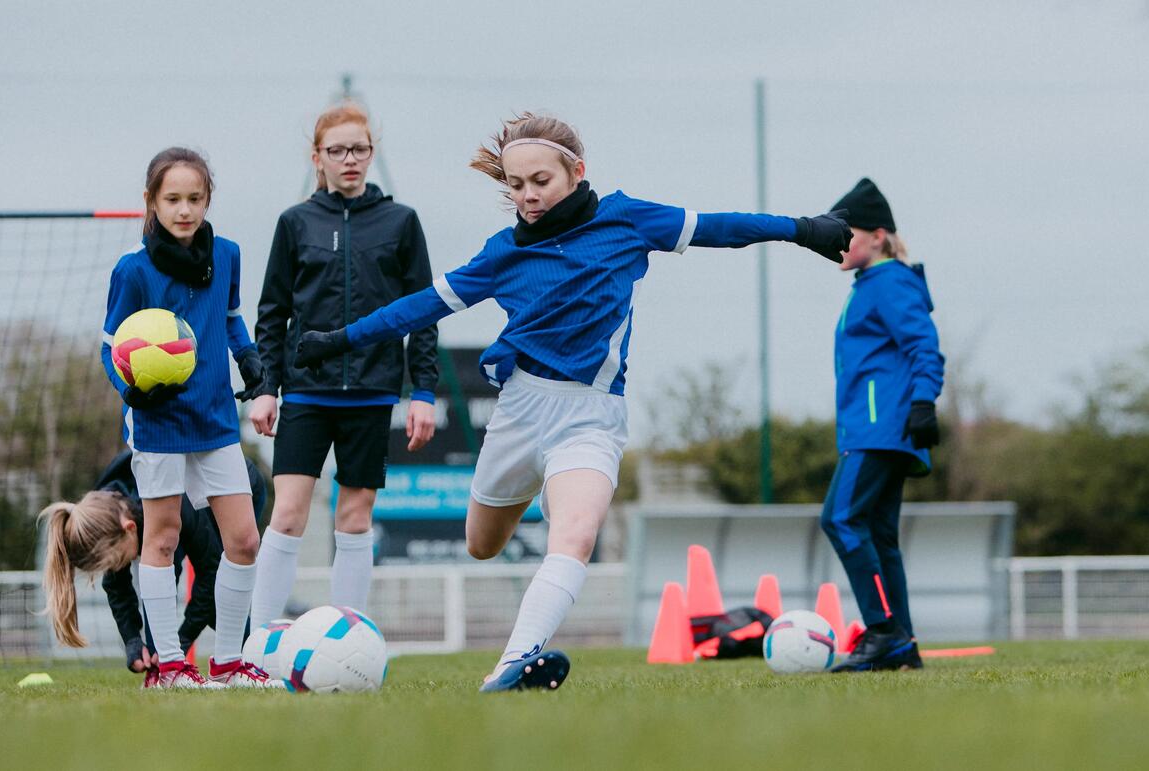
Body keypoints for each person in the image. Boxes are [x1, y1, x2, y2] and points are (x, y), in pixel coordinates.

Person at [294, 112, 853, 692]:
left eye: (541, 181)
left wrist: (800, 228)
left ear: (576, 171)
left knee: (575, 534)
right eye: (515, 185)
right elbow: (421, 307)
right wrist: (340, 339)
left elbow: (719, 226)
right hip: (519, 411)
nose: (528, 196)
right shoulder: (502, 252)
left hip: (589, 415)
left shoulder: (624, 219)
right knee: (481, 545)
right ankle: (532, 496)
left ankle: (513, 662)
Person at [241, 102, 440, 628]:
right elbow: (273, 313)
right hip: (306, 393)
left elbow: (424, 314)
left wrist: (423, 391)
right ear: (317, 158)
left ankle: (347, 637)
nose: (349, 159)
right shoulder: (295, 223)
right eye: (337, 150)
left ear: (371, 154)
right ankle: (258, 644)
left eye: (359, 149)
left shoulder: (402, 222)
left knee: (355, 518)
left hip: (373, 393)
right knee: (287, 515)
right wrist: (265, 387)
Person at [99, 147, 271, 688]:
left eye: (194, 198)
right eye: (172, 199)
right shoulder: (133, 270)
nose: (184, 210)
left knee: (243, 541)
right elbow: (110, 349)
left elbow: (231, 317)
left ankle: (228, 662)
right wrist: (133, 393)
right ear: (151, 202)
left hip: (216, 419)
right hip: (159, 424)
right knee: (164, 538)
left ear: (208, 200)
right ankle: (170, 667)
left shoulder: (228, 254)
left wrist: (248, 358)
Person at [816, 178, 944, 673]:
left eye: (844, 234)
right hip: (874, 425)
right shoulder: (870, 284)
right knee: (880, 534)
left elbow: (924, 345)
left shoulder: (890, 281)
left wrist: (923, 403)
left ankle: (883, 631)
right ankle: (902, 643)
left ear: (877, 235)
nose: (837, 244)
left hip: (880, 426)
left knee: (840, 519)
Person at [39, 450, 266, 685]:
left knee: (221, 605)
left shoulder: (168, 507)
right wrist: (132, 642)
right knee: (157, 582)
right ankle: (163, 672)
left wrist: (182, 638)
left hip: (234, 488)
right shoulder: (101, 517)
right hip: (173, 503)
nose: (118, 568)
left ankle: (259, 658)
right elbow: (116, 585)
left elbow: (211, 573)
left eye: (117, 562)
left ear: (129, 529)